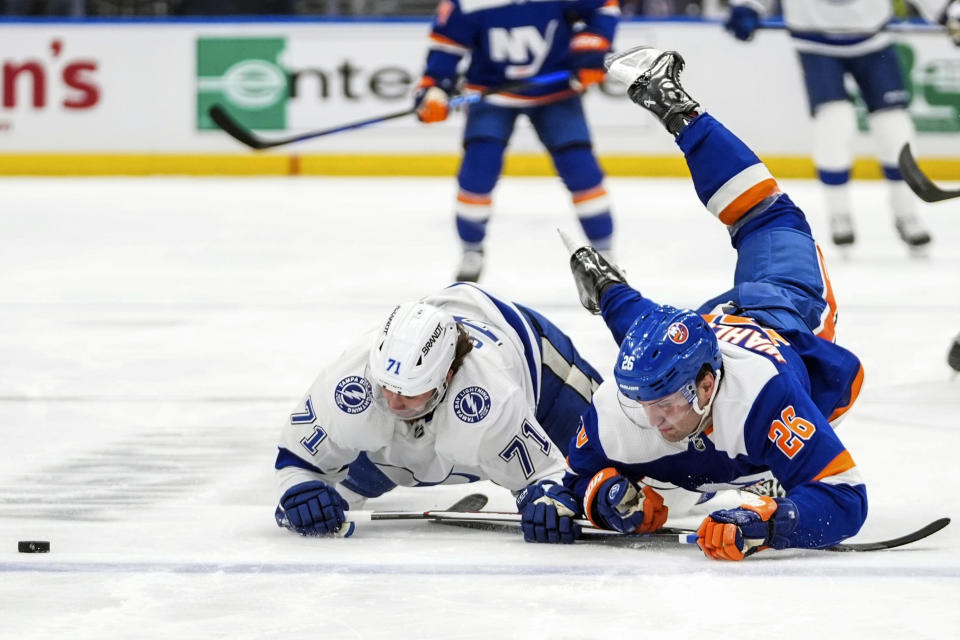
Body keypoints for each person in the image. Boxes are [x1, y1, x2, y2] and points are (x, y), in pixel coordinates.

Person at [550, 45, 868, 561]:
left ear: (707, 384)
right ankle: (607, 288)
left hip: (777, 312)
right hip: (706, 324)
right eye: (645, 402)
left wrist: (772, 524)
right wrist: (607, 500)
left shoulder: (764, 398)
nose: (655, 421)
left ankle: (679, 110)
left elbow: (845, 498)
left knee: (767, 215)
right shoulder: (620, 407)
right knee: (639, 325)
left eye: (669, 403)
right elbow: (577, 479)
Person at [273, 282, 604, 543]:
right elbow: (298, 463)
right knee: (330, 498)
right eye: (385, 386)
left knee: (608, 462)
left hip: (538, 369)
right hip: (415, 440)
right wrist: (301, 490)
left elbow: (543, 476)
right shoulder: (350, 383)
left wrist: (548, 500)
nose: (393, 402)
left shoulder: (491, 397)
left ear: (447, 377)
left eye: (409, 392)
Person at [724, 0, 960, 249]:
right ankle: (839, 214)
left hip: (874, 40)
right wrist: (747, 6)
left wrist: (950, 11)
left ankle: (906, 214)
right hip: (815, 44)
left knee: (895, 128)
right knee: (833, 124)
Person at [413, 0, 621, 282]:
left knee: (581, 169)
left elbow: (603, 7)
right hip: (492, 93)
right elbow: (445, 51)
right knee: (479, 170)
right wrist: (433, 91)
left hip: (555, 92)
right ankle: (471, 252)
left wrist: (592, 47)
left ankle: (606, 254)